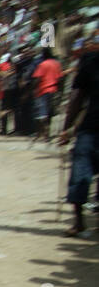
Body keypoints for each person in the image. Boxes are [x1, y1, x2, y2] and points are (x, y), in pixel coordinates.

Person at [59, 46, 99, 236]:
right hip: (91, 126)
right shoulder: (90, 60)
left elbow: (77, 97)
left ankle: (79, 222)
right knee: (80, 172)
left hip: (91, 128)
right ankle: (79, 222)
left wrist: (67, 128)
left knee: (80, 172)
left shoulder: (90, 60)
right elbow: (78, 97)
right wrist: (67, 128)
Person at [32, 47, 61, 143]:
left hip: (43, 90)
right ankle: (45, 133)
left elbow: (38, 79)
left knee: (42, 114)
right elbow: (59, 78)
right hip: (54, 90)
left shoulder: (42, 64)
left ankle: (45, 134)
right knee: (49, 112)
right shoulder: (57, 64)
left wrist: (32, 89)